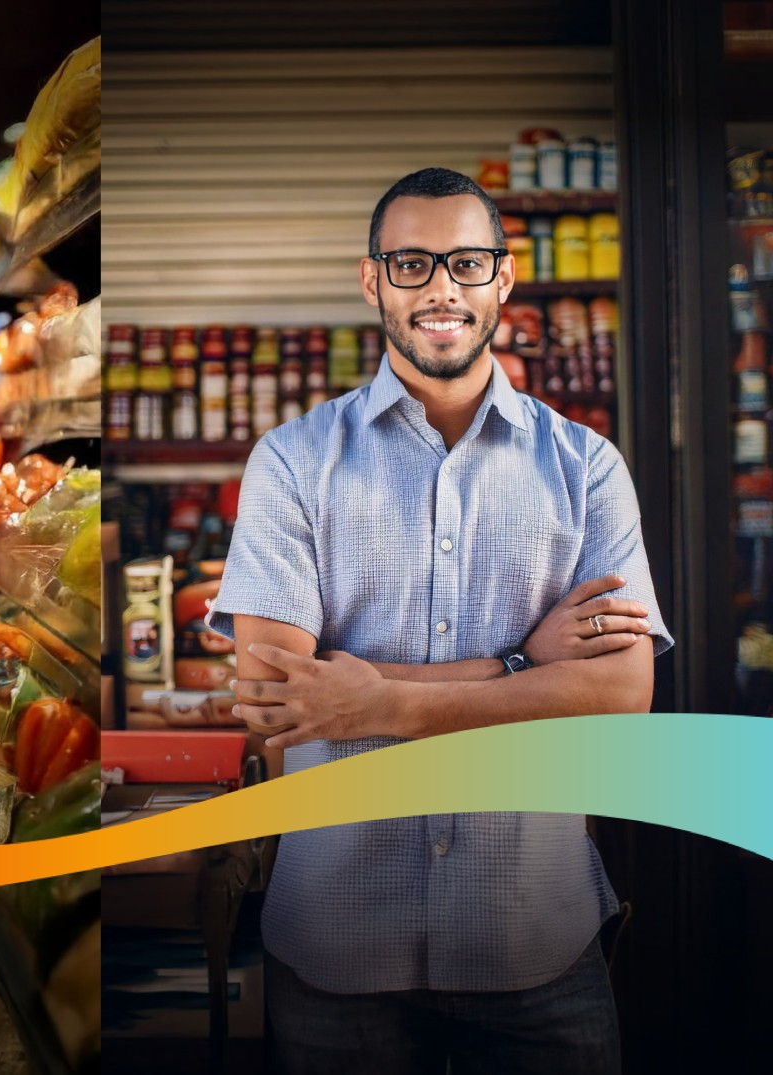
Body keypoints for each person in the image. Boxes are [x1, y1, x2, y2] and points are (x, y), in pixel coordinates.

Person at [208, 167, 672, 1075]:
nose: (440, 288)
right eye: (412, 263)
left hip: (534, 935)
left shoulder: (587, 468)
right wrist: (518, 664)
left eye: (465, 261)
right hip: (338, 939)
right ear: (372, 279)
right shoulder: (294, 461)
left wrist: (375, 698)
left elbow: (621, 696)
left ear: (504, 277)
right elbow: (275, 699)